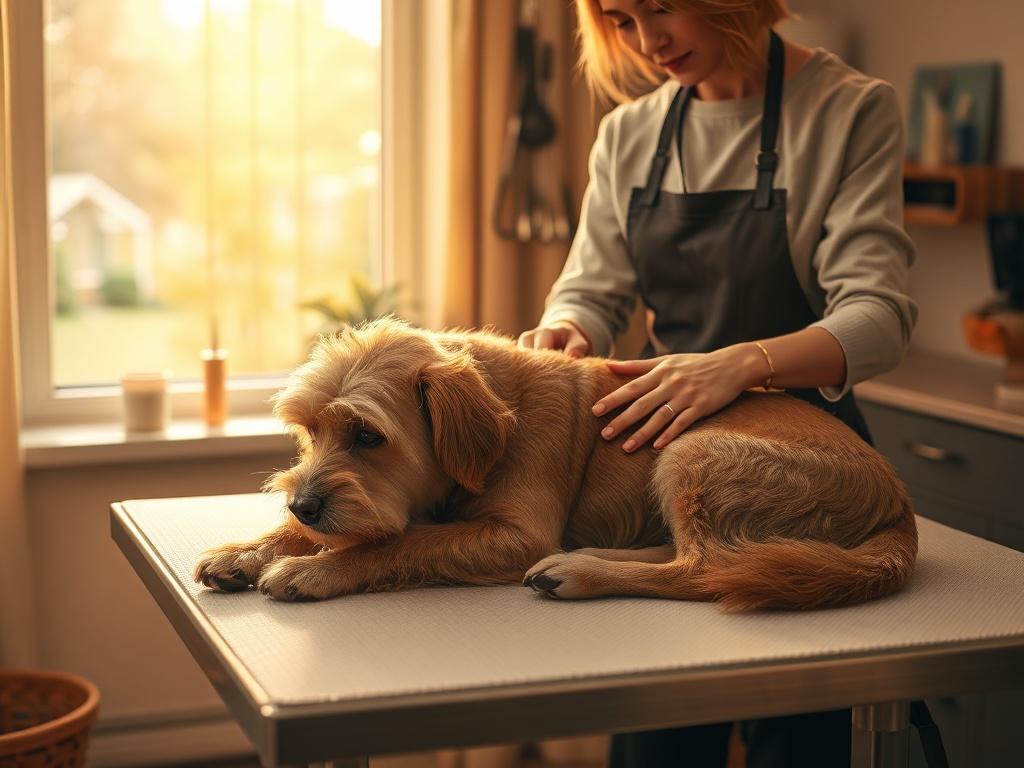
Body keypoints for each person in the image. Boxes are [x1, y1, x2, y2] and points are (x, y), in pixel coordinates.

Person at [519, 0, 917, 766]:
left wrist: (740, 363)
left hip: (799, 470)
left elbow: (878, 316)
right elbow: (592, 292)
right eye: (620, 18)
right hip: (656, 467)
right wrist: (569, 327)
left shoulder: (849, 110)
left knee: (798, 741)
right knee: (656, 740)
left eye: (661, 9)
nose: (646, 41)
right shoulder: (628, 133)